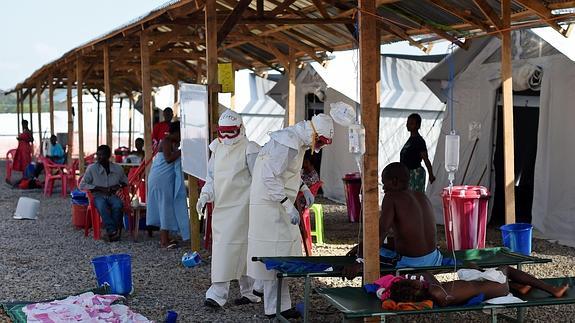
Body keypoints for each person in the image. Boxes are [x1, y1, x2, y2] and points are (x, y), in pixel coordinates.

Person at [247, 113, 334, 319]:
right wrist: (287, 205)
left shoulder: (299, 141)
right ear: (314, 133)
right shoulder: (287, 142)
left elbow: (289, 173)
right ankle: (272, 307)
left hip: (277, 202)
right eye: (320, 141)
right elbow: (269, 176)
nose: (320, 146)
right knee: (273, 254)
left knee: (282, 251)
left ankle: (277, 302)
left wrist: (303, 188)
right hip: (270, 204)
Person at [196, 109, 262, 309]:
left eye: (230, 132)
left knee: (243, 249)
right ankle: (229, 292)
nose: (225, 137)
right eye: (222, 132)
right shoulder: (217, 148)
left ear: (240, 129)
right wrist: (204, 196)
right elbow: (212, 179)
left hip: (245, 208)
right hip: (223, 208)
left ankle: (234, 293)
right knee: (224, 249)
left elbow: (259, 179)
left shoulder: (250, 149)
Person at [344, 162, 441, 279]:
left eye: (385, 183)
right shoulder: (421, 196)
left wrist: (361, 261)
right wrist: (361, 245)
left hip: (413, 264)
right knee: (376, 245)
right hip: (435, 258)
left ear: (394, 181)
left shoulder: (392, 197)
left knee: (369, 252)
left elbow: (381, 231)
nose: (384, 188)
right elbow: (410, 236)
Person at [387, 266, 569, 307]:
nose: (416, 279)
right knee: (506, 268)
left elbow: (425, 276)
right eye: (412, 281)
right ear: (414, 289)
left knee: (474, 268)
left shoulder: (431, 292)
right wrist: (422, 277)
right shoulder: (434, 291)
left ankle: (518, 287)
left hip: (491, 287)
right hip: (497, 288)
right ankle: (552, 289)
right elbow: (427, 273)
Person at [146, 121, 190, 248]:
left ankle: (166, 236)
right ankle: (164, 240)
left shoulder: (172, 142)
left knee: (166, 206)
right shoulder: (166, 141)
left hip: (163, 178)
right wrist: (182, 151)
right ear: (176, 132)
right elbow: (168, 158)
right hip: (160, 179)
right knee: (164, 206)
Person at [79, 145, 128, 242]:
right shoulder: (91, 168)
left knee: (118, 205)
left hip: (112, 195)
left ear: (109, 155)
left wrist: (118, 186)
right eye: (98, 155)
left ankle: (111, 232)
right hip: (98, 195)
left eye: (102, 155)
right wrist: (98, 188)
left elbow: (125, 181)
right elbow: (82, 185)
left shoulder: (118, 168)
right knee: (102, 206)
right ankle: (113, 231)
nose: (99, 157)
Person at [399, 113, 435, 192]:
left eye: (411, 123)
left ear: (418, 126)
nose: (408, 125)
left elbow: (426, 159)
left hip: (415, 174)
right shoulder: (410, 140)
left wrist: (431, 175)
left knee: (415, 198)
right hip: (407, 174)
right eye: (408, 123)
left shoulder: (419, 141)